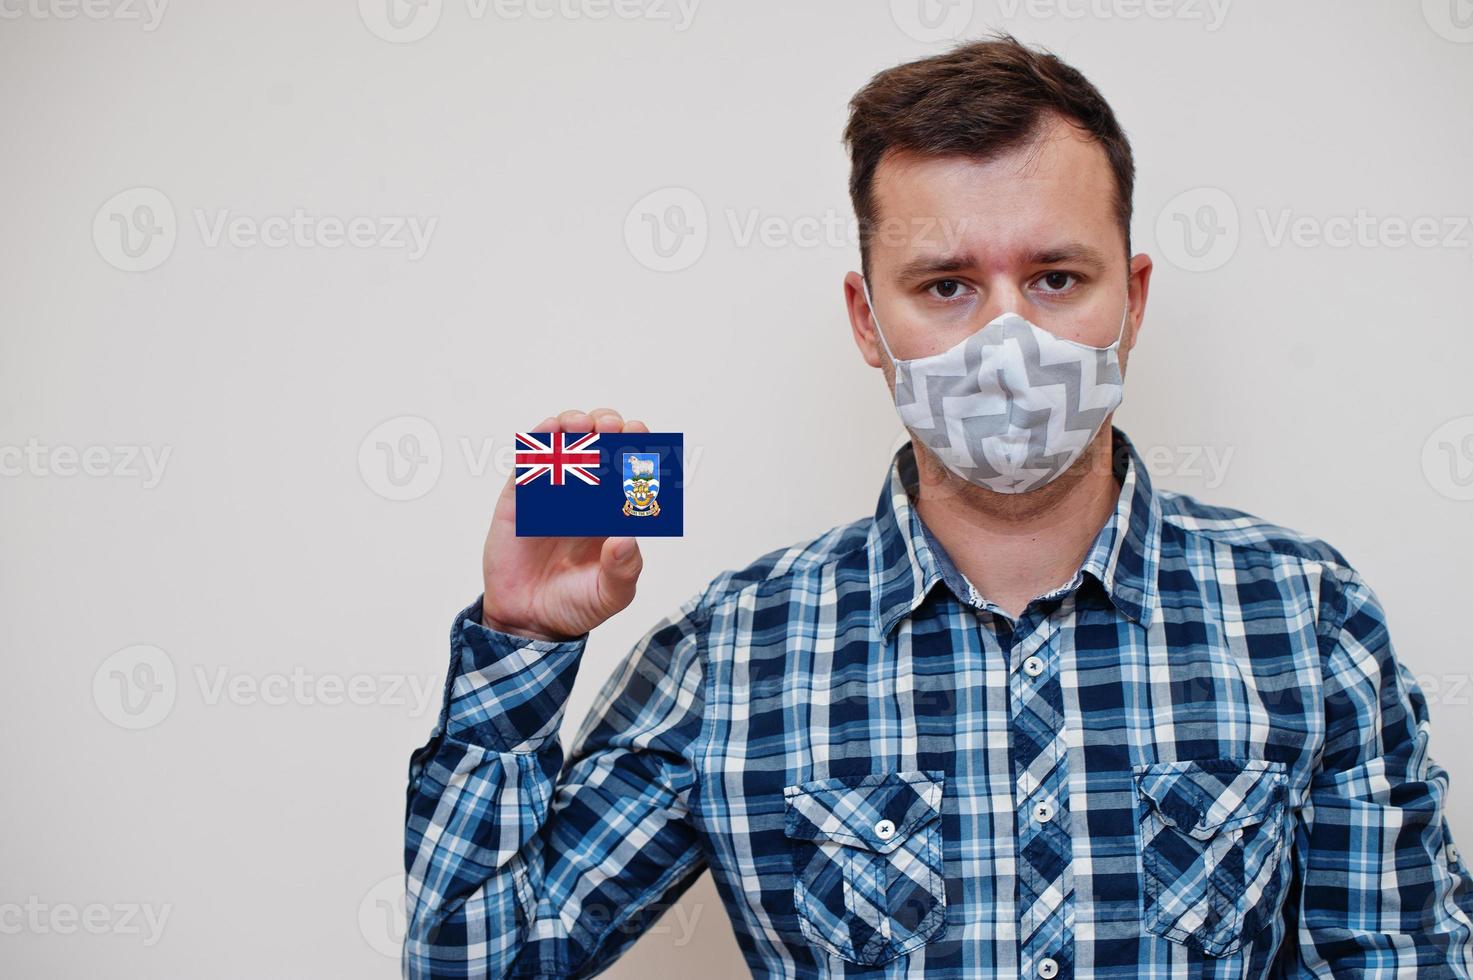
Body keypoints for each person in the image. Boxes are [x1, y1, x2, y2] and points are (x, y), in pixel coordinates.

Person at [402, 34, 1473, 978]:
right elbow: (474, 959)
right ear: (868, 320)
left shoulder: (1306, 613)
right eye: (947, 285)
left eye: (1056, 277)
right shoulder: (733, 650)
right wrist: (521, 642)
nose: (1008, 340)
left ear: (1132, 299)